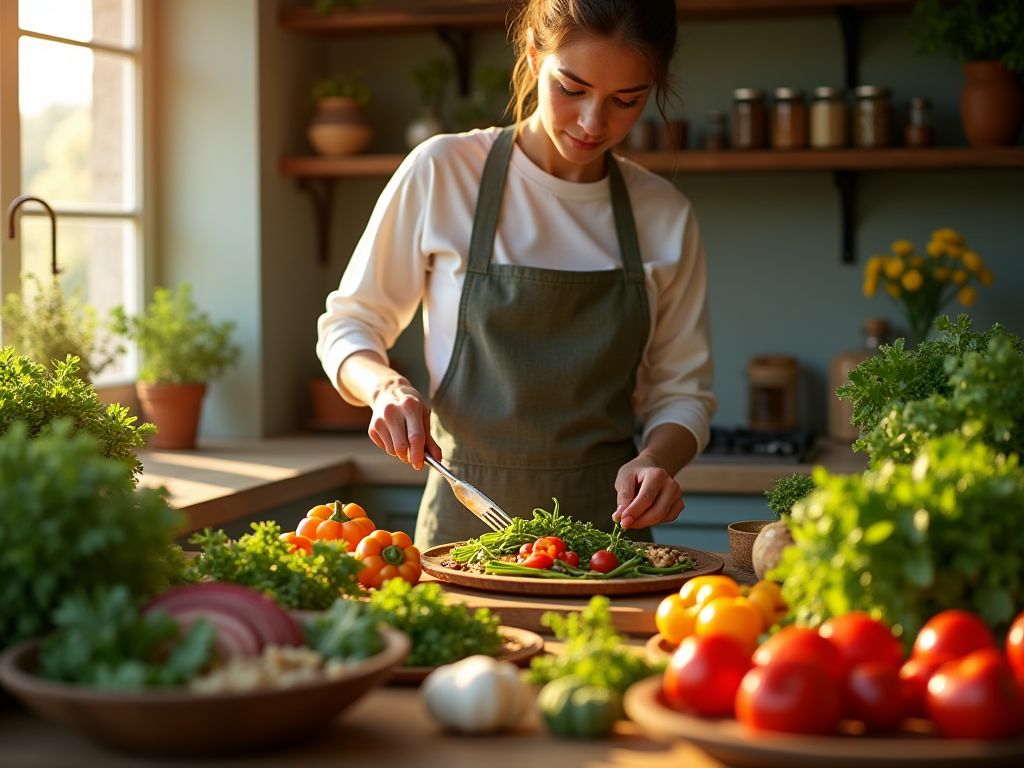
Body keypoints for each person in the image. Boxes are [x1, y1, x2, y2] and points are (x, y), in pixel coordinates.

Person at [316, 0, 716, 549]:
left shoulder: (664, 214)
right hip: (461, 536)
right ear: (532, 55)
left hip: (608, 542)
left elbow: (683, 392)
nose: (592, 122)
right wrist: (386, 388)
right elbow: (348, 325)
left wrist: (656, 461)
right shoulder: (444, 172)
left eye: (626, 100)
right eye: (571, 88)